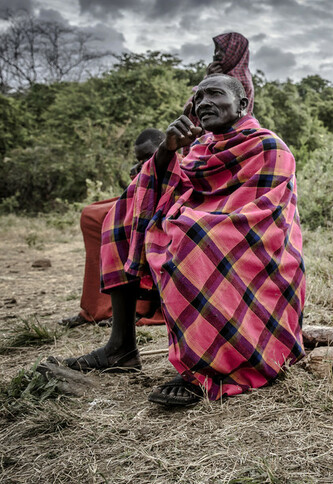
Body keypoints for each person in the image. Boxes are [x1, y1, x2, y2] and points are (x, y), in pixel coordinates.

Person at [63, 74, 306, 407]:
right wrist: (166, 149)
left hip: (260, 244)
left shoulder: (268, 146)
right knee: (122, 216)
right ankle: (121, 347)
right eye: (199, 97)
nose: (203, 102)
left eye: (214, 94)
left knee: (190, 234)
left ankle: (203, 367)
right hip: (206, 226)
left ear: (243, 104)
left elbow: (265, 213)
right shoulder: (202, 147)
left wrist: (192, 219)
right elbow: (166, 187)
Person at [59, 129, 167, 329]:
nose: (143, 162)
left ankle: (139, 308)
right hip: (141, 203)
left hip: (163, 209)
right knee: (91, 215)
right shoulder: (145, 167)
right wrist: (139, 177)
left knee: (124, 223)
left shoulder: (173, 157)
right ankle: (95, 307)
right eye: (139, 159)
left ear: (163, 147)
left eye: (148, 156)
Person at [184, 32, 254, 122]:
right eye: (216, 50)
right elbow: (191, 109)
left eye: (222, 50)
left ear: (234, 52)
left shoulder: (241, 82)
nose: (217, 54)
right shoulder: (217, 74)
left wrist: (211, 78)